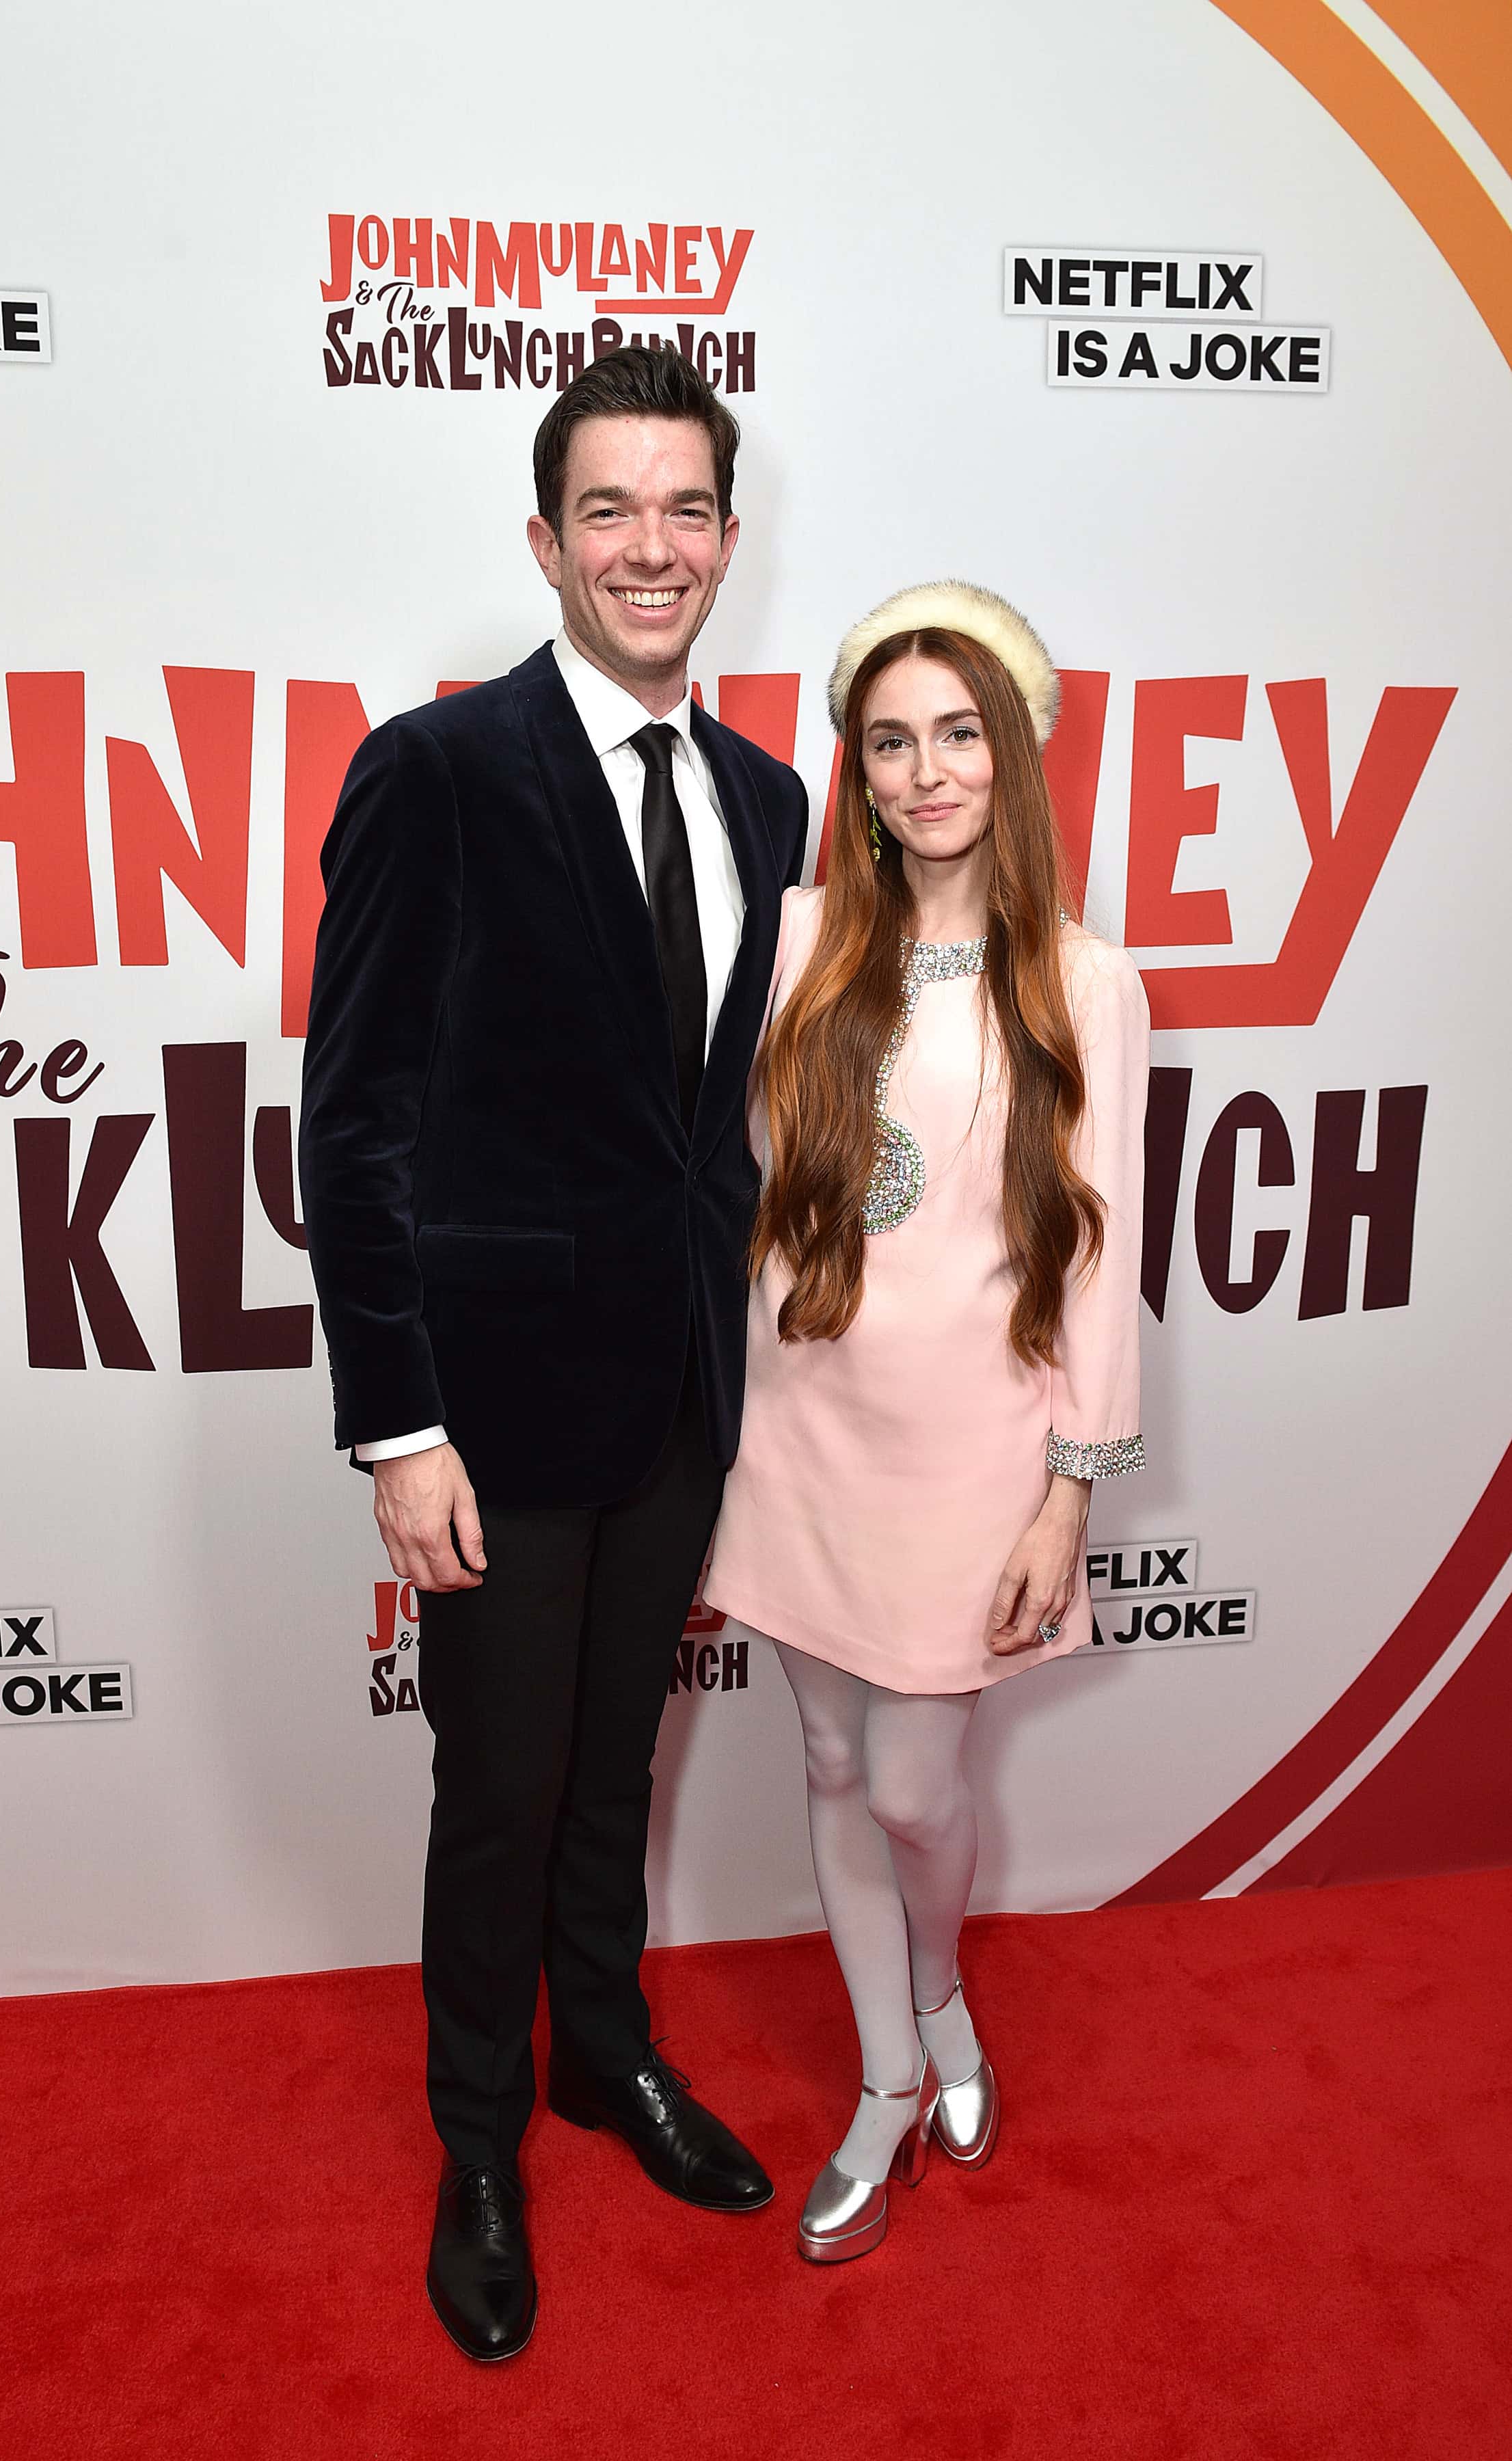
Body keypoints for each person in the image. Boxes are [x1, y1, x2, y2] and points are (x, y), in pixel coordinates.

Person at [299, 347, 809, 2359]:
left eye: (684, 510)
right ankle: (482, 2141)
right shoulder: (436, 773)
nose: (649, 548)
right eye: (609, 510)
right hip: (488, 1415)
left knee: (619, 1773)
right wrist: (396, 1423)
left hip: (679, 1390)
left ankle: (603, 2053)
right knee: (498, 1792)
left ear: (728, 543)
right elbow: (353, 1126)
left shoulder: (767, 798)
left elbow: (719, 1116)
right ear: (544, 539)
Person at [702, 580, 1149, 2262]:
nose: (922, 770)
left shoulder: (1086, 981)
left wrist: (1068, 1497)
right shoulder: (804, 936)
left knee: (908, 1787)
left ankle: (942, 1988)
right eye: (888, 741)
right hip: (799, 1426)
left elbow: (1099, 1252)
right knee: (824, 1757)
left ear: (1013, 751)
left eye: (956, 733)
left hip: (975, 1451)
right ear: (858, 769)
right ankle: (888, 2078)